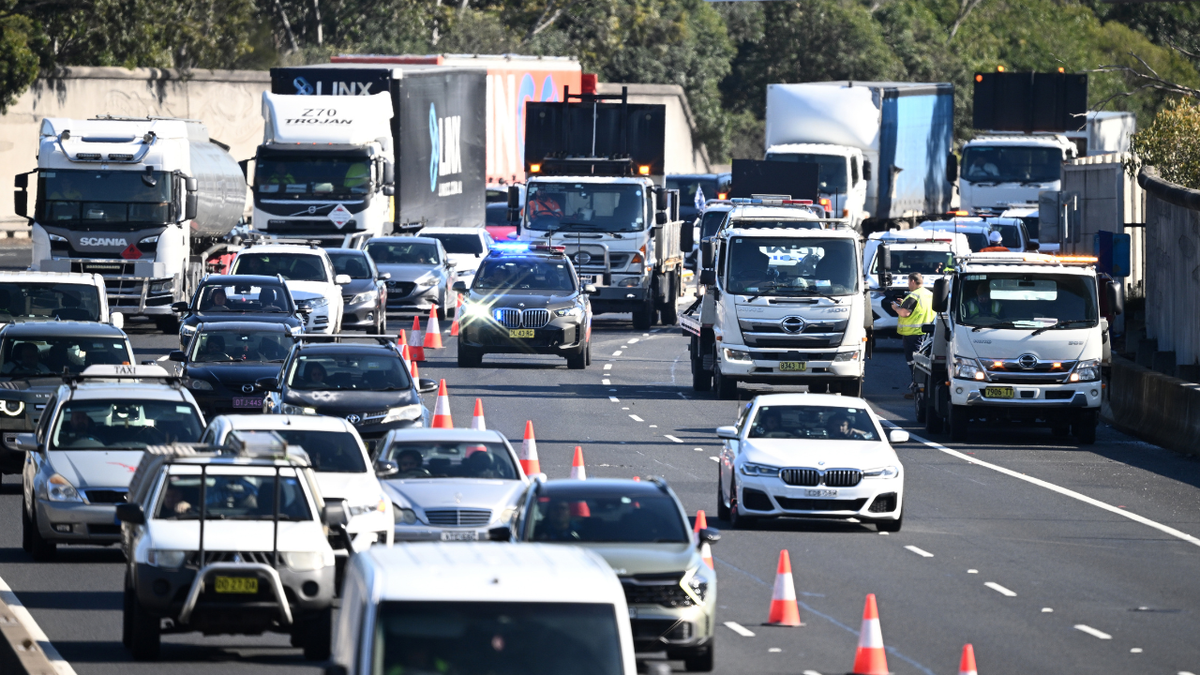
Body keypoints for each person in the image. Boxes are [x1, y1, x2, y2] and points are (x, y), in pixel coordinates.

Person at [892, 272, 935, 397]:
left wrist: (896, 307)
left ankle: (917, 388)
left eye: (908, 282)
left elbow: (905, 313)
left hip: (913, 334)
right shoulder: (929, 294)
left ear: (912, 281)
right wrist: (904, 302)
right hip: (926, 333)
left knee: (913, 362)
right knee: (922, 363)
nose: (908, 285)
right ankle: (918, 386)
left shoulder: (914, 295)